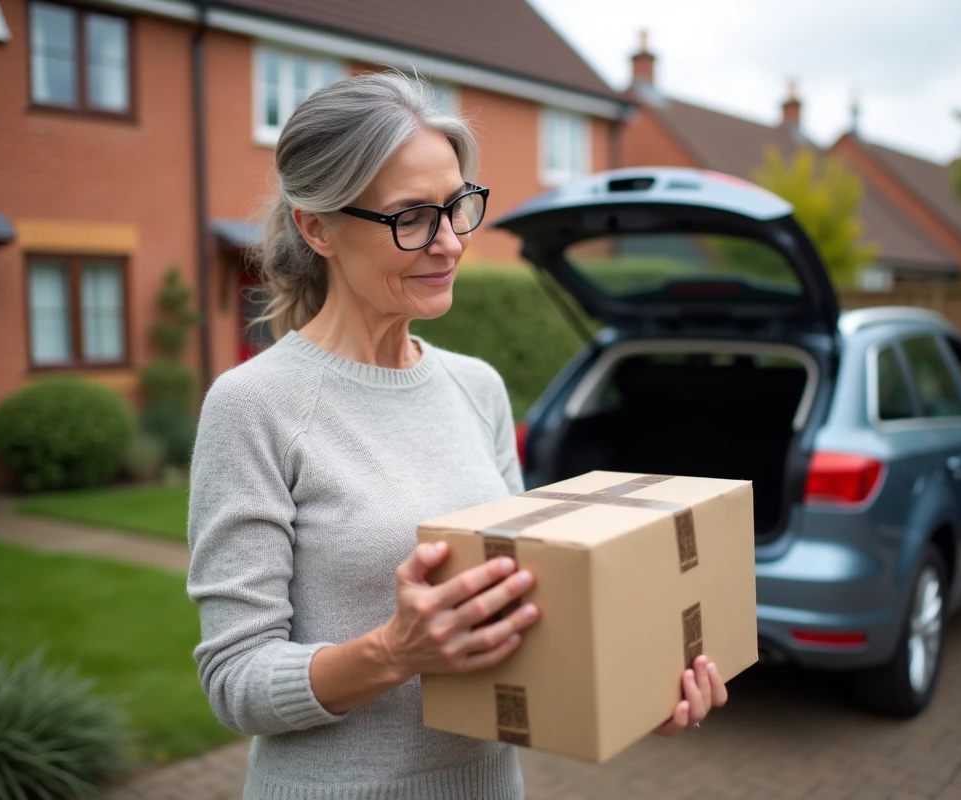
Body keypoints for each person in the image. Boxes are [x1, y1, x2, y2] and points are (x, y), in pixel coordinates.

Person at [186, 70, 728, 800]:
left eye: (457, 207)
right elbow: (235, 681)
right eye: (412, 217)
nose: (448, 243)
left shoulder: (477, 388)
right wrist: (393, 651)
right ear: (318, 227)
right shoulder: (255, 405)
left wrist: (635, 690)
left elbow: (531, 610)